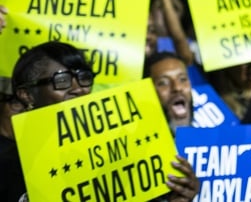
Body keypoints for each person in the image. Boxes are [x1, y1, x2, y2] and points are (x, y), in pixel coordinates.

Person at [0, 41, 199, 201]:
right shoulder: (8, 165)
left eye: (84, 77)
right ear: (27, 95)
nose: (79, 88)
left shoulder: (122, 151)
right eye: (62, 80)